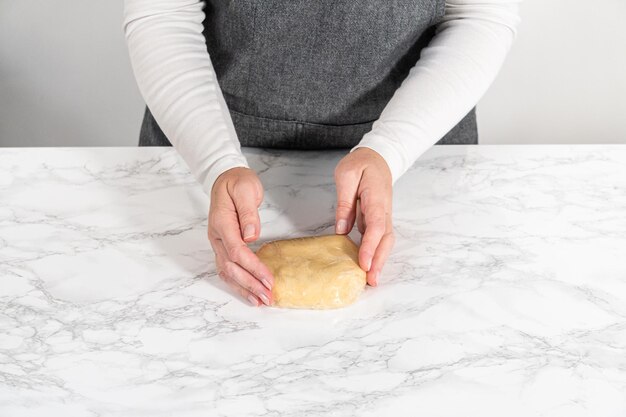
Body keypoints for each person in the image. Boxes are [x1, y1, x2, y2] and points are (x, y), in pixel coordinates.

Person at [123, 0, 521, 307]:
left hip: (419, 142)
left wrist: (389, 149)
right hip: (204, 134)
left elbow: (479, 16)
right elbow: (163, 14)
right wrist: (216, 164)